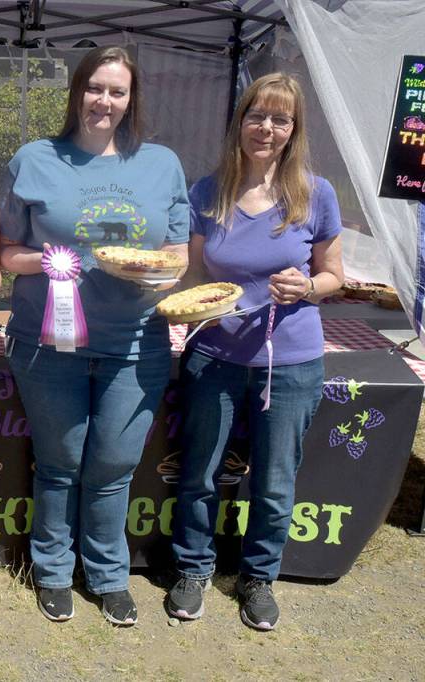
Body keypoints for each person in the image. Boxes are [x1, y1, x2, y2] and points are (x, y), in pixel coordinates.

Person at [0, 46, 189, 625]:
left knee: (113, 465)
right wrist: (59, 262)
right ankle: (53, 570)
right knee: (58, 461)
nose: (104, 101)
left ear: (132, 100)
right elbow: (5, 252)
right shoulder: (34, 159)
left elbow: (178, 253)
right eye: (95, 88)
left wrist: (148, 268)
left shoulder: (161, 164)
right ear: (77, 92)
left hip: (136, 342)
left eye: (118, 91)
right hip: (47, 340)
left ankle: (107, 574)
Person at [167, 73, 344, 630]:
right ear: (239, 122)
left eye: (280, 119)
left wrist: (309, 288)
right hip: (214, 357)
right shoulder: (207, 191)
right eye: (256, 116)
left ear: (293, 131)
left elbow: (334, 274)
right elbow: (194, 273)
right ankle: (193, 569)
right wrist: (183, 306)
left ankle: (258, 578)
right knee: (199, 473)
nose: (266, 128)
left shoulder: (316, 194)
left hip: (290, 363)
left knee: (273, 481)